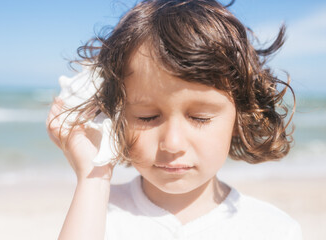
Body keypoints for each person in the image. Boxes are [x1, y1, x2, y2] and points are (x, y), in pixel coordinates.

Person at [46, 0, 302, 239]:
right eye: (147, 117)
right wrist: (94, 176)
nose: (172, 143)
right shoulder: (93, 212)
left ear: (239, 118)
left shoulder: (273, 229)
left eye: (200, 117)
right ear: (115, 117)